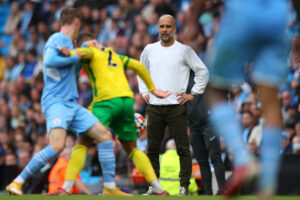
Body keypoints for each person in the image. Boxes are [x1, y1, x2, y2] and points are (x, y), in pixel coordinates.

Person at [185, 0, 290, 199]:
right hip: (277, 20)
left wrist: (192, 22)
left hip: (243, 15)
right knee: (270, 103)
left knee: (214, 90)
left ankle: (243, 159)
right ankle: (267, 185)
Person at [6, 7, 112, 195]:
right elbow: (48, 61)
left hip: (71, 103)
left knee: (104, 136)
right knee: (57, 145)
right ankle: (18, 181)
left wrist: (88, 51)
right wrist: (75, 55)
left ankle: (110, 189)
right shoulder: (57, 38)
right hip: (56, 102)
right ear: (77, 21)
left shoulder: (70, 44)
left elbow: (76, 64)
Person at [48, 32, 171, 196]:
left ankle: (67, 188)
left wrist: (68, 52)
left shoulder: (90, 51)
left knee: (82, 141)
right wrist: (153, 89)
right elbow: (139, 66)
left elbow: (79, 53)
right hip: (127, 101)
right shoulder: (114, 55)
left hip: (105, 102)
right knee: (131, 148)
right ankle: (158, 188)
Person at [137, 14, 209, 195]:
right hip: (154, 106)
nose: (164, 30)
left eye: (168, 26)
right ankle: (154, 187)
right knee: (152, 149)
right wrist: (145, 92)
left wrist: (194, 93)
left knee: (183, 148)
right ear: (158, 28)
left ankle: (184, 186)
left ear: (175, 28)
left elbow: (203, 71)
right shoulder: (149, 49)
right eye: (161, 27)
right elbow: (140, 71)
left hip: (176, 106)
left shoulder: (184, 50)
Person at [187, 72, 225, 195]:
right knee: (202, 161)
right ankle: (208, 195)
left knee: (215, 157)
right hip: (193, 125)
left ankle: (223, 192)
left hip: (209, 123)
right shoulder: (180, 78)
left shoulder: (203, 74)